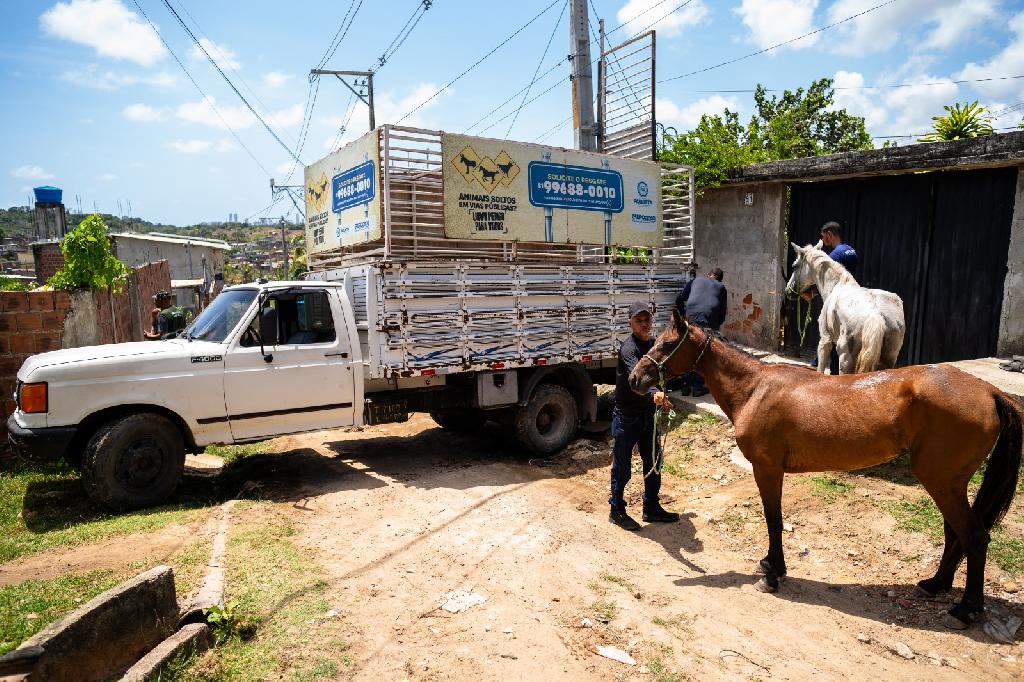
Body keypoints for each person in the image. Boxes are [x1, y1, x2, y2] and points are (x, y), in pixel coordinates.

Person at [609, 301, 680, 531]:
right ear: (630, 322)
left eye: (647, 319)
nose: (644, 324)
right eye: (639, 321)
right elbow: (635, 380)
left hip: (647, 415)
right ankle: (616, 510)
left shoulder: (652, 344)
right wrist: (654, 394)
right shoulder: (628, 349)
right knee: (622, 467)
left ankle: (651, 507)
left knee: (654, 461)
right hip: (627, 416)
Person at [801, 221, 858, 374]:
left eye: (823, 236)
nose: (823, 239)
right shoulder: (851, 251)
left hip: (838, 302)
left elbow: (828, 281)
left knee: (832, 338)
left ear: (829, 234)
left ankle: (827, 370)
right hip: (853, 298)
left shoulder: (834, 256)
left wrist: (811, 294)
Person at [674, 268, 727, 397]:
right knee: (702, 353)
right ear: (720, 279)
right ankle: (697, 387)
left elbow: (679, 299)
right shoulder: (721, 287)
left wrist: (683, 316)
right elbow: (722, 312)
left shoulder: (696, 280)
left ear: (708, 275)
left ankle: (685, 386)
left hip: (690, 319)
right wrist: (716, 327)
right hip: (709, 321)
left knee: (688, 350)